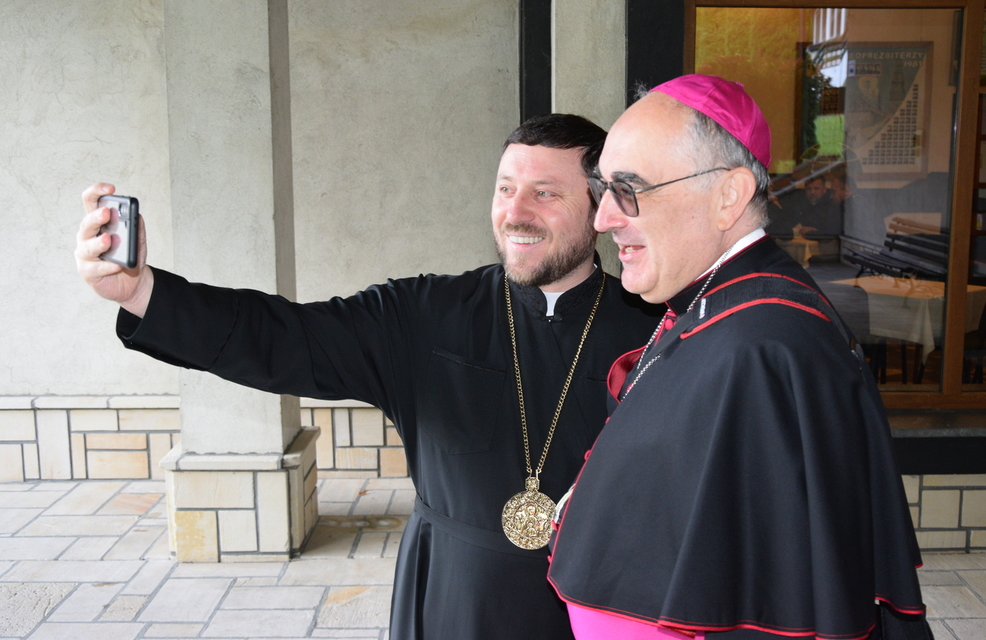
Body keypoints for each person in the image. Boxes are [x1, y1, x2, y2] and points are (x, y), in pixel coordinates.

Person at [74, 113, 665, 640]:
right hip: (449, 598)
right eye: (505, 189)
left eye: (544, 193)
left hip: (596, 607)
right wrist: (142, 293)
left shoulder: (658, 331)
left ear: (599, 208)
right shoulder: (425, 313)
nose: (515, 213)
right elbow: (285, 336)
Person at [547, 76, 931, 639]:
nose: (603, 217)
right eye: (602, 187)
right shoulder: (712, 302)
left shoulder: (766, 347)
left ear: (728, 196)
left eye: (628, 189)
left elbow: (773, 597)